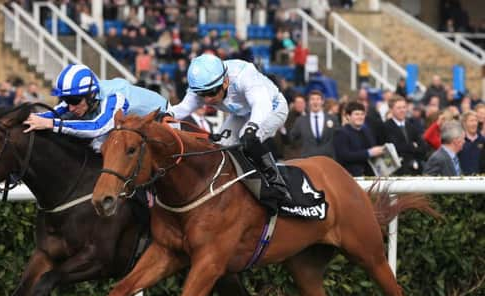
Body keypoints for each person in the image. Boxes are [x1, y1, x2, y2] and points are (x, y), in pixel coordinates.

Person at [169, 54, 292, 203]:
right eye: (202, 94)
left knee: (246, 140)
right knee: (220, 148)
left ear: (226, 81)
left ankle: (278, 184)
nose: (207, 99)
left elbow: (261, 104)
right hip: (241, 113)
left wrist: (251, 127)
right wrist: (165, 114)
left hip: (272, 108)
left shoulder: (244, 75)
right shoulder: (202, 83)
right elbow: (183, 108)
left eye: (211, 92)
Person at [22, 64, 169, 152]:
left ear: (91, 94)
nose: (71, 107)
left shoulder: (114, 97)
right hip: (126, 127)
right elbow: (51, 114)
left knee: (98, 146)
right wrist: (24, 119)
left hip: (164, 121)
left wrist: (52, 124)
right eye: (66, 100)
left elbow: (97, 127)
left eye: (74, 100)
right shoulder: (83, 96)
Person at [333, 101, 385, 177]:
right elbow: (344, 156)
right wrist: (369, 153)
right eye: (356, 114)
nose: (360, 117)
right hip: (350, 176)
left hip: (370, 175)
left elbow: (371, 149)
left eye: (362, 114)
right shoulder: (341, 133)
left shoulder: (367, 131)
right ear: (348, 116)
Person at [379, 95, 429, 175]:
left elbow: (423, 148)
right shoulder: (385, 127)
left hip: (415, 170)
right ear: (391, 109)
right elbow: (393, 148)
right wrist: (412, 146)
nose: (402, 110)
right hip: (396, 172)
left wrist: (407, 147)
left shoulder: (412, 125)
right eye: (399, 108)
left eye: (404, 107)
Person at [290, 89, 339, 159]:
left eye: (318, 99)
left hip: (328, 159)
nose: (315, 102)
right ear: (308, 102)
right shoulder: (300, 120)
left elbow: (338, 138)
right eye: (312, 99)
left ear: (322, 101)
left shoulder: (333, 119)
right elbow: (292, 138)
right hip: (308, 159)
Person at [458, 110, 485, 175]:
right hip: (462, 179)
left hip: (480, 180)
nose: (474, 123)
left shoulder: (483, 140)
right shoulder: (459, 141)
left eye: (476, 120)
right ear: (464, 123)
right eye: (471, 121)